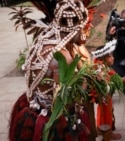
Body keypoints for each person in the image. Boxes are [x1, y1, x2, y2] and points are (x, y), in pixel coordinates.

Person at [8, 0, 102, 140]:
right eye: (82, 29)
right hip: (54, 118)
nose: (84, 34)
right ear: (75, 29)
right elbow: (63, 97)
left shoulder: (44, 39)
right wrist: (92, 82)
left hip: (34, 104)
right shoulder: (61, 56)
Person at [91, 40, 125, 140]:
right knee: (107, 114)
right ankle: (107, 133)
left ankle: (100, 128)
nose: (113, 58)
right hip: (104, 96)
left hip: (103, 95)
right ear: (103, 58)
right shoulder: (103, 69)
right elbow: (121, 80)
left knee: (103, 112)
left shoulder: (99, 64)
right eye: (110, 56)